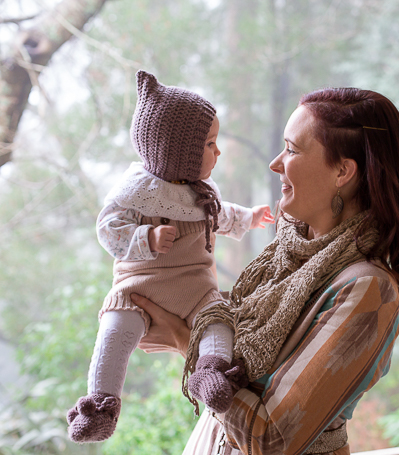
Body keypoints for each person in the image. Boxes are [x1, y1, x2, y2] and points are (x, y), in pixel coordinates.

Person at [133, 87, 399, 455]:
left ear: (342, 171)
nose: (275, 163)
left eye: (291, 149)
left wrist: (185, 339)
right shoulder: (284, 259)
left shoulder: (368, 289)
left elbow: (272, 440)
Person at [66, 70, 274, 443]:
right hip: (139, 287)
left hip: (195, 289)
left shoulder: (202, 193)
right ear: (177, 152)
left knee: (217, 322)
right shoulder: (136, 192)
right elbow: (108, 230)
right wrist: (145, 236)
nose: (218, 151)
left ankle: (210, 371)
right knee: (115, 331)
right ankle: (101, 403)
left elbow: (220, 213)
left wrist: (248, 217)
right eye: (210, 144)